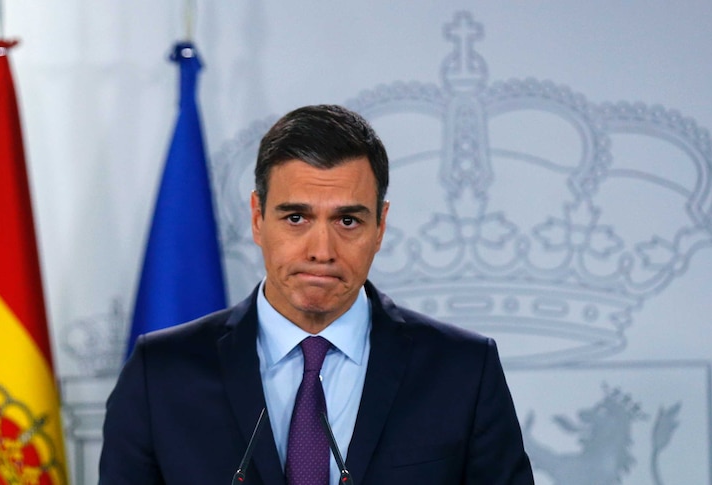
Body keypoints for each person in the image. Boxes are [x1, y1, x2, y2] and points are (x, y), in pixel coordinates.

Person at [100, 104, 534, 484]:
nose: (321, 252)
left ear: (380, 226)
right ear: (257, 218)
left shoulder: (462, 372)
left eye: (348, 221)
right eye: (295, 218)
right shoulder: (160, 374)